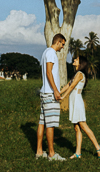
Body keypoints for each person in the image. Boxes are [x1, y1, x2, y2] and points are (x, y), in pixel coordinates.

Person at [60, 56, 100, 159]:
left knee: (83, 126)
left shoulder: (80, 74)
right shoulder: (76, 74)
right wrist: (58, 93)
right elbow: (68, 85)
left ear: (81, 63)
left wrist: (63, 97)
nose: (74, 60)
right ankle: (78, 153)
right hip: (73, 101)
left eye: (76, 59)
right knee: (76, 128)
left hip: (77, 102)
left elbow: (72, 87)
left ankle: (99, 148)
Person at [36, 33, 66, 161]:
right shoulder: (51, 53)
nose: (63, 47)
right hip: (50, 94)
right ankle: (51, 154)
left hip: (45, 93)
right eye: (62, 44)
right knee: (50, 124)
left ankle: (39, 151)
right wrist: (55, 90)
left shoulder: (46, 52)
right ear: (58, 42)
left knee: (42, 122)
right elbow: (49, 72)